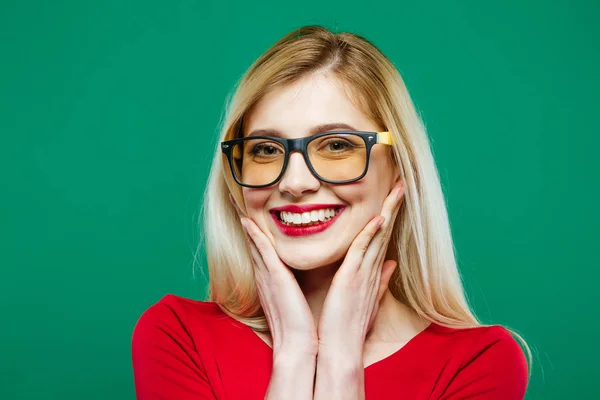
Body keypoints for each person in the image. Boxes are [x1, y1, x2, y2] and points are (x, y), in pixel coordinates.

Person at [131, 25, 530, 399]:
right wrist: (294, 356)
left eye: (337, 145)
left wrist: (340, 363)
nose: (295, 182)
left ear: (398, 166)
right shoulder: (178, 335)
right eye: (267, 150)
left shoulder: (479, 363)